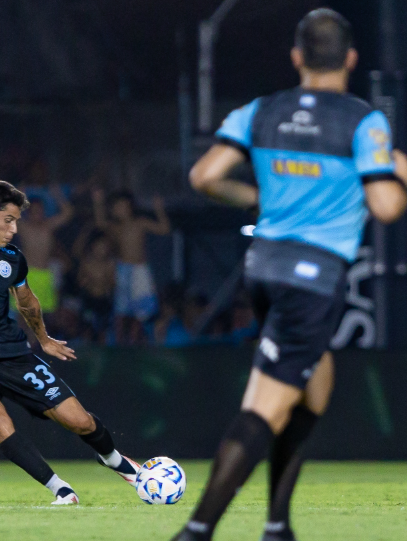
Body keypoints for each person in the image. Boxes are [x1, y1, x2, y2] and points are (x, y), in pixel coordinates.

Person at [173, 9, 407, 541]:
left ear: (298, 57)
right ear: (350, 59)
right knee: (264, 409)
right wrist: (396, 168)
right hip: (312, 280)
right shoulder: (363, 121)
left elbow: (204, 176)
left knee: (313, 389)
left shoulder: (260, 110)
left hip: (263, 268)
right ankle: (196, 531)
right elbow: (387, 206)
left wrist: (254, 197)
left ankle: (278, 526)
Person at [0, 139, 141, 505]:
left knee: (80, 421)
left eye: (16, 221)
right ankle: (60, 488)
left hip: (13, 357)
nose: (14, 229)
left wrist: (44, 339)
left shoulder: (12, 259)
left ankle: (115, 461)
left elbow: (27, 300)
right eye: (9, 220)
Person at [92, 190, 170, 342]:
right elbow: (100, 224)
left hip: (140, 270)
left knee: (141, 311)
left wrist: (159, 209)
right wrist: (98, 203)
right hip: (122, 269)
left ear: (130, 207)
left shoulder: (140, 222)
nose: (120, 210)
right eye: (117, 207)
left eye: (123, 206)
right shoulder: (115, 227)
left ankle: (135, 342)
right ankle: (119, 343)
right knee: (121, 310)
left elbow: (164, 229)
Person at [18, 187, 73, 315]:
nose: (37, 213)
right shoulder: (23, 227)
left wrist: (57, 195)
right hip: (27, 275)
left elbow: (68, 213)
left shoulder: (48, 226)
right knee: (24, 315)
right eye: (34, 211)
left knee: (46, 315)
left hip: (45, 274)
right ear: (28, 212)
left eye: (39, 210)